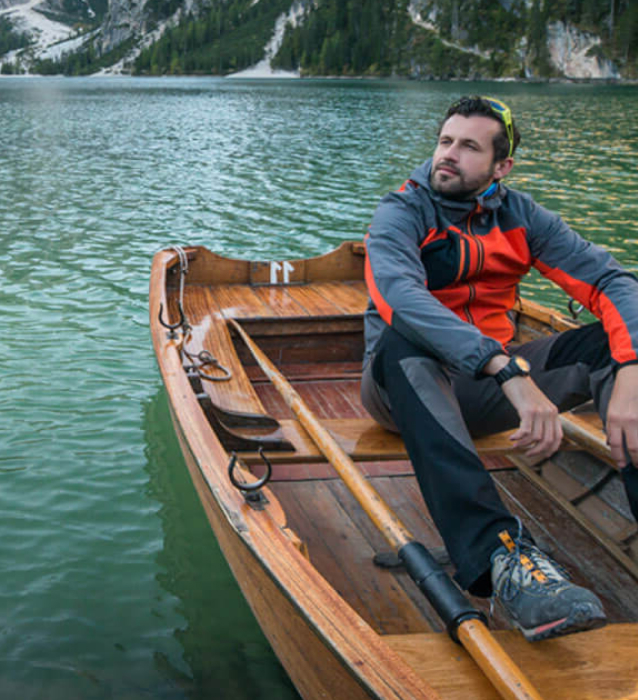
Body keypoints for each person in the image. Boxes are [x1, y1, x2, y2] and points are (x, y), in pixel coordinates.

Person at [361, 95, 638, 643]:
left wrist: (631, 368)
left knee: (616, 345)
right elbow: (398, 294)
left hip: (489, 389)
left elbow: (612, 281)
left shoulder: (522, 217)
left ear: (501, 166)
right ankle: (502, 557)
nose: (448, 154)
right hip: (403, 387)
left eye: (468, 147)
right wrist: (507, 370)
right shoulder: (403, 211)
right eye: (445, 141)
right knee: (404, 336)